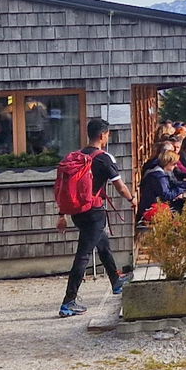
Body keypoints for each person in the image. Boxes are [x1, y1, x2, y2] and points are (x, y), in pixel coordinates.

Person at [57, 117, 135, 318]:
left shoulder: (76, 157)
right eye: (108, 135)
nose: (107, 138)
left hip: (78, 213)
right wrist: (132, 199)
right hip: (94, 213)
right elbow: (120, 187)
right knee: (83, 255)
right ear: (102, 136)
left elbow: (64, 188)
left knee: (103, 245)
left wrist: (62, 214)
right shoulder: (104, 158)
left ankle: (116, 282)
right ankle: (68, 301)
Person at [138, 144, 186, 221]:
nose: (175, 166)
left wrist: (183, 185)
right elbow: (167, 195)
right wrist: (181, 189)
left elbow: (171, 184)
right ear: (168, 162)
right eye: (174, 164)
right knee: (183, 207)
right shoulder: (159, 176)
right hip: (151, 208)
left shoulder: (158, 172)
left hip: (154, 205)